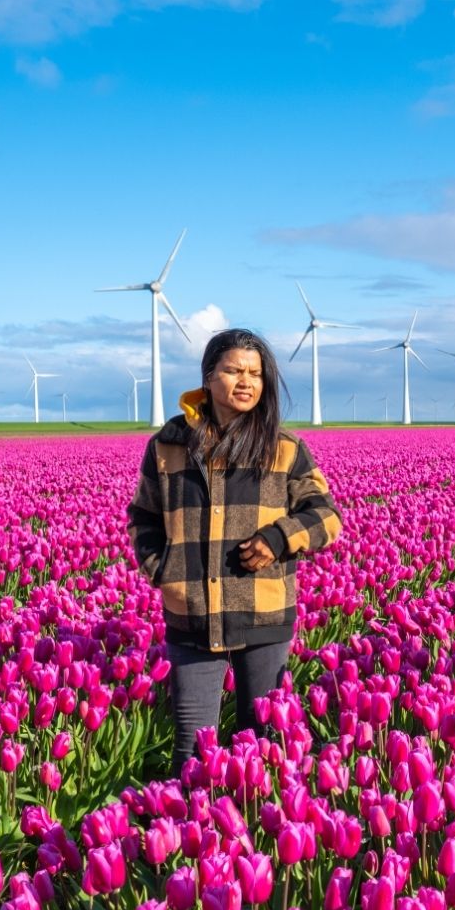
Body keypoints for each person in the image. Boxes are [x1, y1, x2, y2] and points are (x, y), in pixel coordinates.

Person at [126, 328, 342, 772]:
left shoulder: (285, 449)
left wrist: (279, 538)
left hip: (262, 613)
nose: (245, 381)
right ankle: (188, 834)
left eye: (255, 373)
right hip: (192, 616)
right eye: (232, 370)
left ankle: (256, 838)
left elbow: (326, 516)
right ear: (207, 377)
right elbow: (143, 516)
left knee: (262, 746)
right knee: (191, 752)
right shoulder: (168, 446)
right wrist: (163, 570)